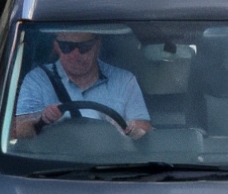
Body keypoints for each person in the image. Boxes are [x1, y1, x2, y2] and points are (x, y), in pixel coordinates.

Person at [11, 32, 151, 141]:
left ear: (97, 45)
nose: (75, 55)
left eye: (84, 47)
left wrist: (128, 128)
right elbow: (18, 132)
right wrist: (40, 119)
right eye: (66, 47)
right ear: (56, 46)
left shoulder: (124, 80)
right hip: (53, 162)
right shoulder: (37, 79)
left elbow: (144, 130)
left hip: (114, 162)